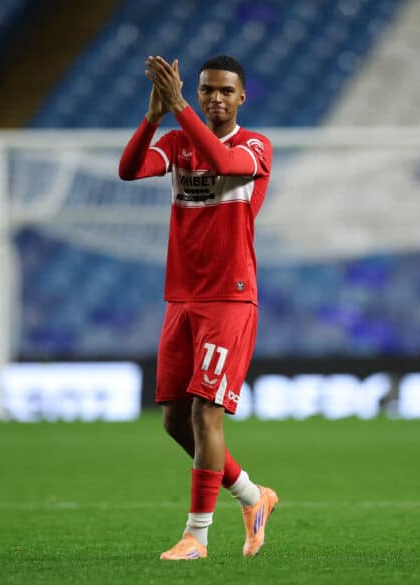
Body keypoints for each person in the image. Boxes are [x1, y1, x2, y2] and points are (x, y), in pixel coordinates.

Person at [118, 54, 277, 561]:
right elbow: (129, 169)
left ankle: (197, 537)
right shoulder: (177, 142)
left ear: (242, 97)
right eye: (207, 89)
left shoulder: (254, 147)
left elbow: (225, 164)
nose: (215, 98)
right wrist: (153, 117)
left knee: (208, 412)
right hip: (181, 297)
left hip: (229, 298)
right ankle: (253, 496)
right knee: (174, 420)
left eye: (225, 91)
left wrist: (180, 104)